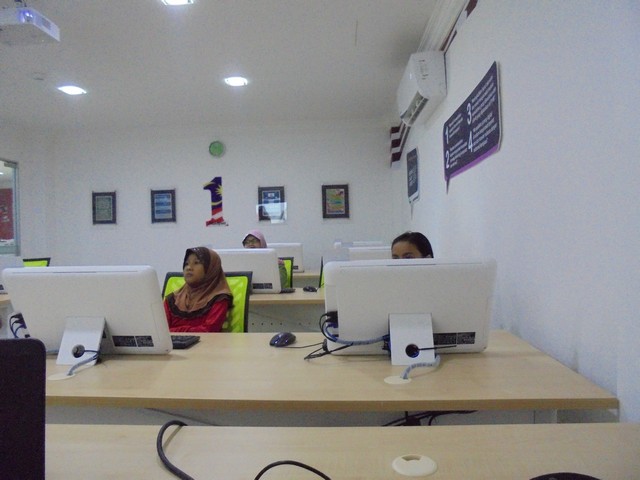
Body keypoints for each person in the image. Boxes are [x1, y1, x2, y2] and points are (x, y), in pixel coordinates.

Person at [164, 247, 233, 332]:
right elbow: (159, 330)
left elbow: (209, 330)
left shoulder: (219, 299)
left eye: (196, 263)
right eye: (186, 263)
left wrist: (173, 331)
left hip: (207, 341)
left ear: (211, 269)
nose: (189, 268)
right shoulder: (171, 300)